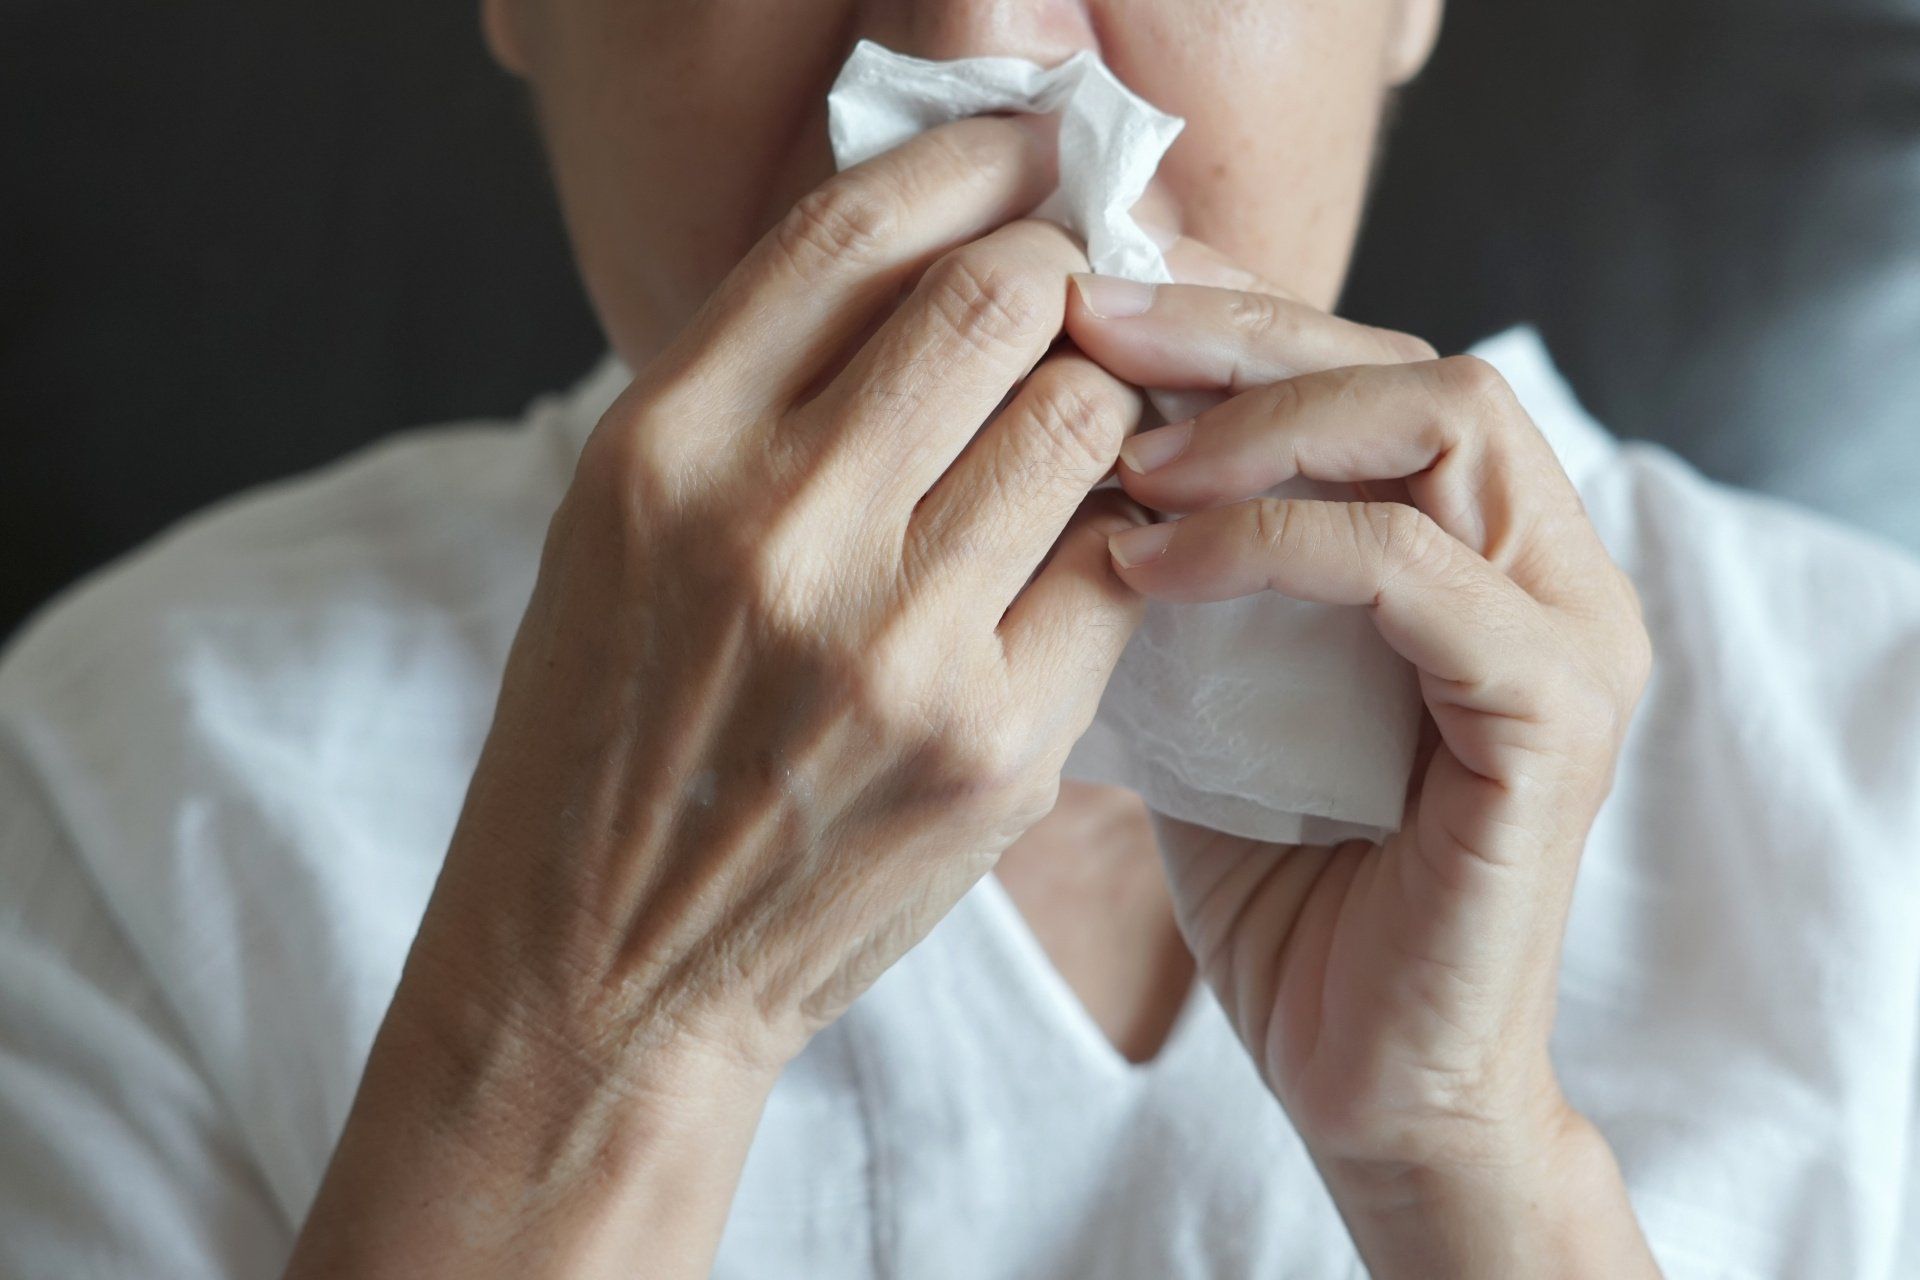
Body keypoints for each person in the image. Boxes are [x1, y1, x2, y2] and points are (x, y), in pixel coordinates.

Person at [1, 0, 1917, 1276]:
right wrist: (602, 1029)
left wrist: (1472, 1163)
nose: (982, 54)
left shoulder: (1872, 755)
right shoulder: (127, 782)